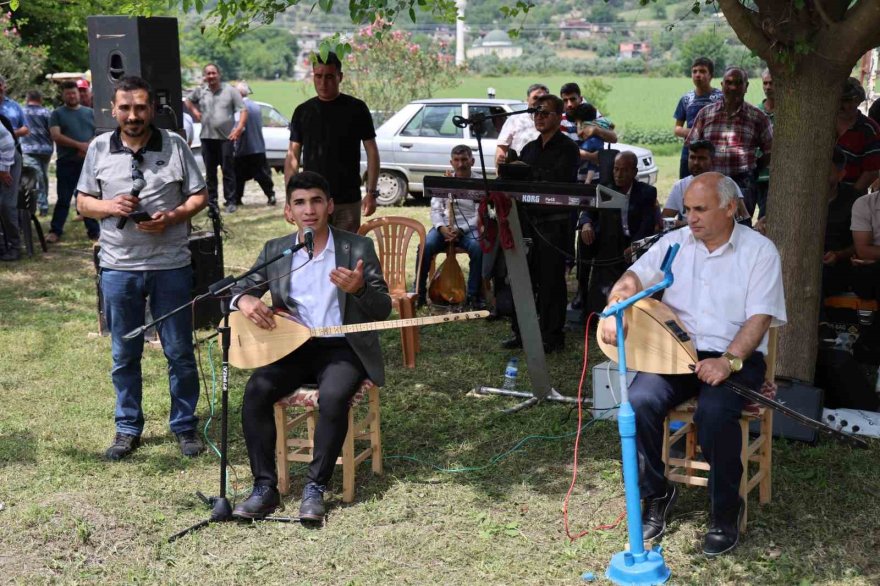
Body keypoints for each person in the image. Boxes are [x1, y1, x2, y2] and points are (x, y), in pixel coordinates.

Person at [600, 172, 786, 557]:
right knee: (640, 401)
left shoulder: (760, 251)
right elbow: (635, 276)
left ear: (730, 207)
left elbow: (760, 318)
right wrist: (614, 305)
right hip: (675, 352)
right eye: (687, 209)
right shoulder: (675, 243)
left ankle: (724, 510)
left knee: (715, 414)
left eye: (700, 209)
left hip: (737, 356)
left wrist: (728, 361)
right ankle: (657, 493)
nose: (691, 218)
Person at [229, 170, 391, 522]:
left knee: (333, 397)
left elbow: (383, 308)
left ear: (330, 205)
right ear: (289, 211)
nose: (309, 209)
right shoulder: (277, 250)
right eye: (300, 203)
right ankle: (264, 488)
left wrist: (359, 289)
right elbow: (237, 288)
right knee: (256, 390)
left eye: (317, 200)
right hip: (293, 347)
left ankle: (315, 487)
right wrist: (243, 301)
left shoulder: (356, 247)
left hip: (343, 346)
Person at [75, 76, 208, 460]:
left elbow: (199, 195)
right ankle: (127, 428)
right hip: (119, 268)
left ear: (152, 109)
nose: (133, 116)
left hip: (171, 266)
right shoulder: (99, 147)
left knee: (180, 351)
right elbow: (83, 202)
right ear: (113, 110)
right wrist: (109, 207)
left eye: (140, 108)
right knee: (124, 353)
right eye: (126, 108)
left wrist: (173, 216)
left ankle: (184, 426)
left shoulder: (176, 145)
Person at [501, 94, 580, 353]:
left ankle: (551, 336)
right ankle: (521, 332)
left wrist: (528, 174)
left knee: (550, 282)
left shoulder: (568, 148)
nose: (539, 117)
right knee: (523, 279)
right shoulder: (529, 149)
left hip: (553, 225)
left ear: (559, 117)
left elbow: (559, 183)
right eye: (536, 112)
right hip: (527, 222)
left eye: (545, 113)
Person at [286, 52, 379, 233]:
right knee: (313, 253)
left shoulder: (356, 108)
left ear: (340, 77)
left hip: (347, 200)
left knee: (346, 255)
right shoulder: (303, 111)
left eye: (329, 76)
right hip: (311, 201)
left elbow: (372, 152)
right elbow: (292, 156)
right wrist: (291, 198)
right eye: (318, 76)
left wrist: (371, 193)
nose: (323, 82)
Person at [579, 151, 658, 317]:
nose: (619, 174)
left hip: (633, 244)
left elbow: (647, 224)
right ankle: (584, 295)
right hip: (609, 244)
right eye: (616, 169)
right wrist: (586, 224)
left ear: (634, 172)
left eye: (624, 170)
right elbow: (587, 211)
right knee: (585, 239)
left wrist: (635, 246)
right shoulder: (605, 189)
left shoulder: (647, 192)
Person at [687, 67, 773, 216]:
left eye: (739, 83)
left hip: (743, 185)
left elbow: (770, 151)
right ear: (722, 85)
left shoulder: (758, 117)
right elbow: (692, 146)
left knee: (740, 230)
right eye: (729, 82)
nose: (733, 87)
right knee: (710, 226)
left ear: (746, 87)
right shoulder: (705, 114)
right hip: (710, 183)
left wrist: (752, 170)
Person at [417, 145, 484, 308]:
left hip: (468, 228)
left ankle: (472, 296)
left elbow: (480, 214)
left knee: (477, 248)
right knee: (425, 246)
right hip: (444, 228)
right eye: (457, 160)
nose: (460, 164)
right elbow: (435, 210)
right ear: (451, 162)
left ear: (472, 161)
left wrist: (461, 230)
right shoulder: (444, 181)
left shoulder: (479, 183)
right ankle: (418, 294)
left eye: (464, 160)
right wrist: (441, 228)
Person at [186, 63, 247, 213]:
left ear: (219, 74)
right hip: (207, 138)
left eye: (213, 73)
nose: (211, 76)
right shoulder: (201, 91)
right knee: (210, 173)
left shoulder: (230, 91)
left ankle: (230, 201)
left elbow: (243, 110)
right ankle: (212, 203)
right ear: (205, 76)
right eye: (208, 74)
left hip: (226, 138)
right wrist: (195, 112)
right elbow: (188, 100)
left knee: (228, 171)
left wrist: (239, 128)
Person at [48, 80, 99, 243]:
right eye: (68, 93)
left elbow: (98, 133)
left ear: (79, 94)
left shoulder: (90, 113)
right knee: (63, 198)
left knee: (87, 197)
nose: (71, 96)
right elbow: (55, 135)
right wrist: (79, 145)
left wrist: (87, 147)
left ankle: (94, 232)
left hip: (87, 162)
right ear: (63, 95)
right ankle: (55, 231)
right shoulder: (57, 113)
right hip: (66, 162)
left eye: (74, 93)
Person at [662, 139, 745, 226]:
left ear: (713, 161)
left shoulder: (727, 184)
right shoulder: (680, 186)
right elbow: (665, 218)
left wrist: (686, 224)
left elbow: (743, 218)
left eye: (702, 158)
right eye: (692, 157)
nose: (696, 163)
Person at [673, 57, 722, 179]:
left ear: (711, 75)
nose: (698, 75)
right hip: (689, 154)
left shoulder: (721, 98)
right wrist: (692, 132)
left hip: (713, 154)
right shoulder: (686, 99)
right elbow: (677, 128)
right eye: (694, 71)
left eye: (702, 71)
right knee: (687, 188)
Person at [232, 82, 276, 206]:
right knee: (262, 174)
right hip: (258, 147)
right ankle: (271, 195)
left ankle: (237, 198)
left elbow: (238, 127)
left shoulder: (239, 108)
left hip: (243, 148)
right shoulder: (256, 107)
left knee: (238, 176)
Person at [850, 181, 880, 358]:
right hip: (868, 275)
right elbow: (862, 250)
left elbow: (869, 251)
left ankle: (871, 345)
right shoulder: (864, 204)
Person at [836, 77, 880, 194]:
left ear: (858, 101)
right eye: (840, 101)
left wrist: (850, 196)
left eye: (849, 101)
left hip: (851, 197)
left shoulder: (869, 129)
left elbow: (872, 171)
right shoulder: (823, 124)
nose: (843, 106)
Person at [494, 83, 547, 167]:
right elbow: (501, 150)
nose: (538, 102)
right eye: (535, 98)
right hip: (518, 171)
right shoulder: (514, 119)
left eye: (542, 99)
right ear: (527, 99)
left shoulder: (553, 120)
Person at [20, 90, 53, 216]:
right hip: (46, 150)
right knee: (43, 176)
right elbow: (52, 131)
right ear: (41, 99)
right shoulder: (47, 112)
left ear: (27, 99)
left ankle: (42, 207)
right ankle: (43, 205)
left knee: (37, 178)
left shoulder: (22, 111)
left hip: (28, 149)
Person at [754, 69, 776, 217]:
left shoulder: (789, 112)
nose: (768, 87)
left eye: (772, 83)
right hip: (757, 174)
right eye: (765, 83)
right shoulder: (755, 112)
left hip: (778, 175)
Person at [0, 120, 21, 261]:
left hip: (8, 159)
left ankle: (15, 246)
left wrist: (4, 169)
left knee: (6, 204)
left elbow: (7, 142)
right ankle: (1, 246)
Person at [0, 75, 29, 139]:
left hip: (12, 147)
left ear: (5, 87)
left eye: (0, 85)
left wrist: (9, 135)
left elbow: (26, 129)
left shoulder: (14, 106)